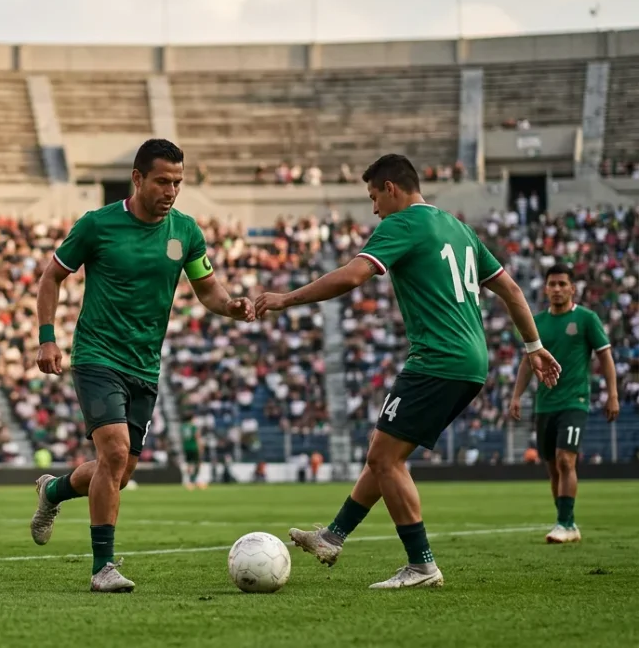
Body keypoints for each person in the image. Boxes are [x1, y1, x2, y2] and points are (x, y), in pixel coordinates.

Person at [254, 153, 561, 590]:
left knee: (384, 458)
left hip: (437, 358)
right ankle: (332, 536)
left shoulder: (402, 224)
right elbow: (510, 289)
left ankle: (421, 564)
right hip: (471, 362)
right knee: (385, 454)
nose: (374, 208)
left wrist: (288, 298)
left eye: (374, 196)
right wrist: (534, 346)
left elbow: (353, 276)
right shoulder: (458, 227)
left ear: (391, 188)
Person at [28, 138, 255, 593]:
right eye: (162, 181)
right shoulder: (97, 225)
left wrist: (230, 306)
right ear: (137, 179)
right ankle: (103, 567)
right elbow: (52, 276)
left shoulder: (186, 231)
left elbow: (207, 289)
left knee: (119, 471)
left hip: (145, 365)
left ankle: (53, 492)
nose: (171, 190)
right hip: (96, 356)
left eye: (178, 181)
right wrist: (47, 339)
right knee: (112, 455)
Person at [508, 263, 619, 544]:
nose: (557, 289)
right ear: (545, 289)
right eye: (552, 284)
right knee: (552, 468)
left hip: (574, 401)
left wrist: (613, 394)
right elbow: (527, 360)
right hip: (544, 404)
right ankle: (566, 522)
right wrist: (516, 395)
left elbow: (605, 357)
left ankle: (565, 522)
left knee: (565, 460)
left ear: (572, 288)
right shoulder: (537, 322)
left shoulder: (586, 319)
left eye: (562, 284)